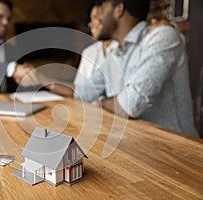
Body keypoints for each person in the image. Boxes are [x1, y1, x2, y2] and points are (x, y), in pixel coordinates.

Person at [75, 0, 198, 136]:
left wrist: (101, 101)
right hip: (136, 142)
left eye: (103, 8)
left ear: (119, 10)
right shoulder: (116, 53)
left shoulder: (162, 37)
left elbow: (129, 106)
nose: (99, 17)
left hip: (176, 149)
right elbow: (83, 92)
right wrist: (48, 81)